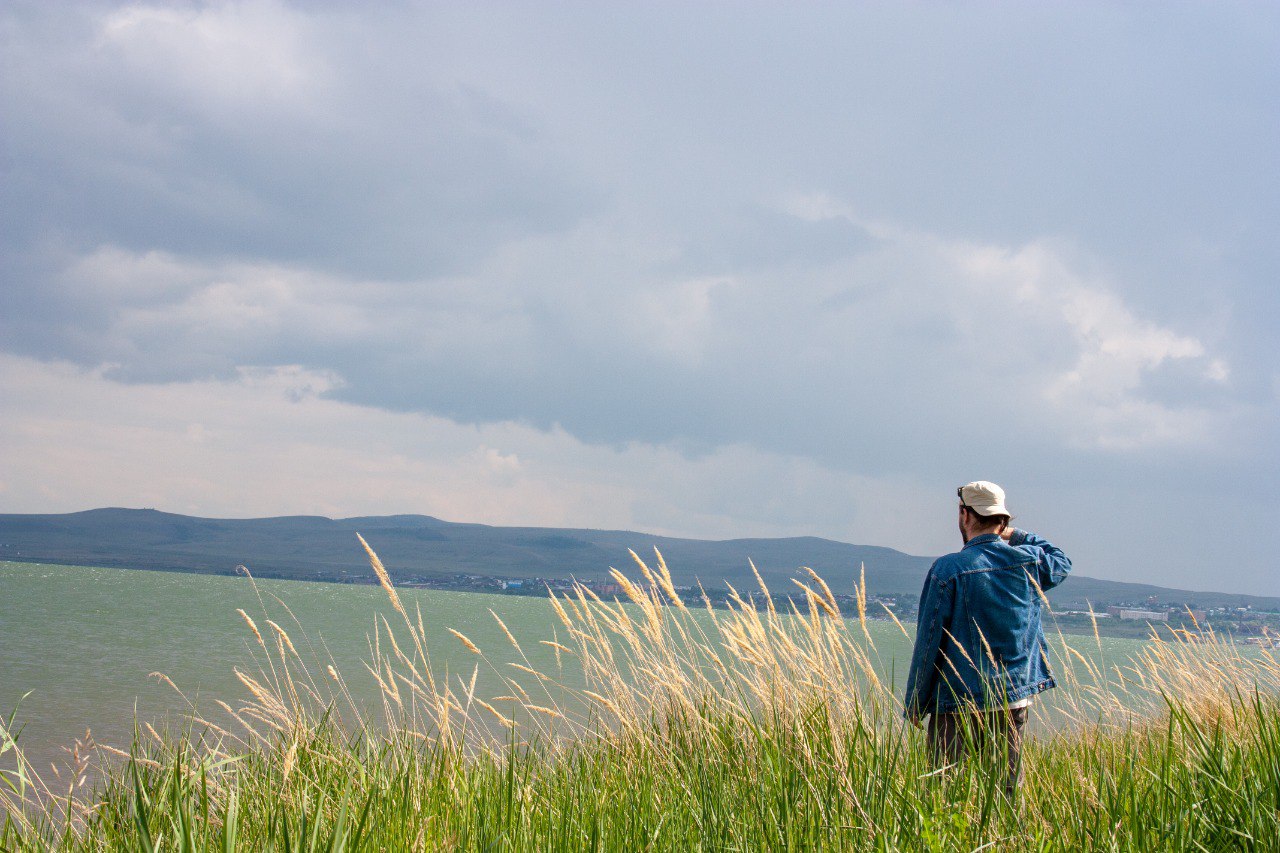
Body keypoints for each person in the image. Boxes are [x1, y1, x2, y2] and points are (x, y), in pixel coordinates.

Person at [903, 481, 1072, 797]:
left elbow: (929, 642)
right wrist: (1015, 535)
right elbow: (1060, 559)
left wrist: (916, 701)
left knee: (941, 793)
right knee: (1006, 793)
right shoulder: (1028, 563)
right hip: (1012, 699)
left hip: (956, 703)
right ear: (1003, 519)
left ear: (965, 515)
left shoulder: (949, 568)